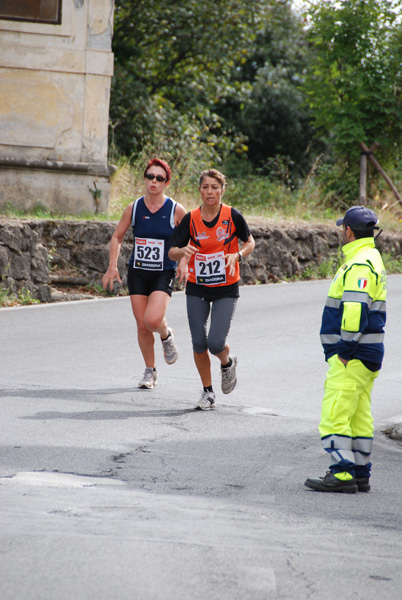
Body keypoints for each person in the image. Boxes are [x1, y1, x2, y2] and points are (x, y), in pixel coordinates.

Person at [305, 206, 387, 493]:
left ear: (348, 231)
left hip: (353, 355)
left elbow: (354, 308)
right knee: (358, 415)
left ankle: (341, 473)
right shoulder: (371, 257)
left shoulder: (359, 263)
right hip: (368, 355)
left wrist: (345, 347)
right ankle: (360, 472)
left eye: (343, 228)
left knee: (336, 413)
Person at [168, 168, 255, 410]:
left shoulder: (232, 216)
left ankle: (227, 362)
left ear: (222, 190)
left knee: (215, 343)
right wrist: (182, 252)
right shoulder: (191, 218)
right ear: (199, 190)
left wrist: (237, 255)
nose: (209, 192)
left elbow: (250, 242)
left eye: (214, 187)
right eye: (205, 187)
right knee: (198, 342)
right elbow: (172, 251)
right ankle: (207, 392)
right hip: (197, 286)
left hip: (226, 286)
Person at [102, 158, 186, 389]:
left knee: (153, 320)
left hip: (163, 271)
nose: (154, 182)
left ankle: (166, 334)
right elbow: (117, 236)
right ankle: (150, 372)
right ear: (145, 179)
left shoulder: (176, 209)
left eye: (159, 178)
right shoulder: (135, 207)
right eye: (150, 176)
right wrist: (112, 265)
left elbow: (189, 238)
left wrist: (183, 262)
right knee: (141, 325)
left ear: (166, 182)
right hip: (138, 271)